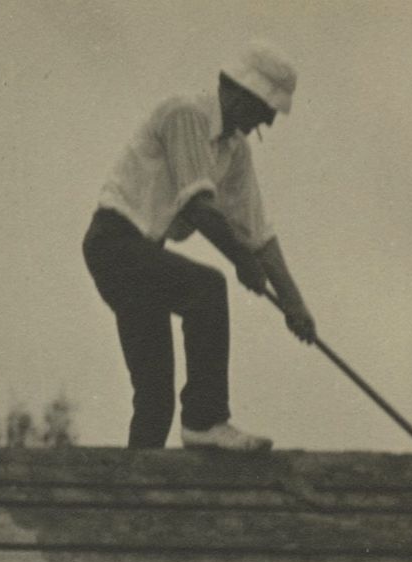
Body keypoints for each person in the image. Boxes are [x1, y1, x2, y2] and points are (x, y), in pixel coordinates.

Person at [83, 40, 316, 452]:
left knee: (155, 397)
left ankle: (139, 491)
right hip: (114, 244)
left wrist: (295, 303)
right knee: (206, 287)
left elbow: (257, 233)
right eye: (264, 109)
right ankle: (207, 418)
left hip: (144, 257)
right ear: (234, 90)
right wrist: (243, 263)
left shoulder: (234, 151)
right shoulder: (185, 114)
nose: (267, 123)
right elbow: (198, 206)